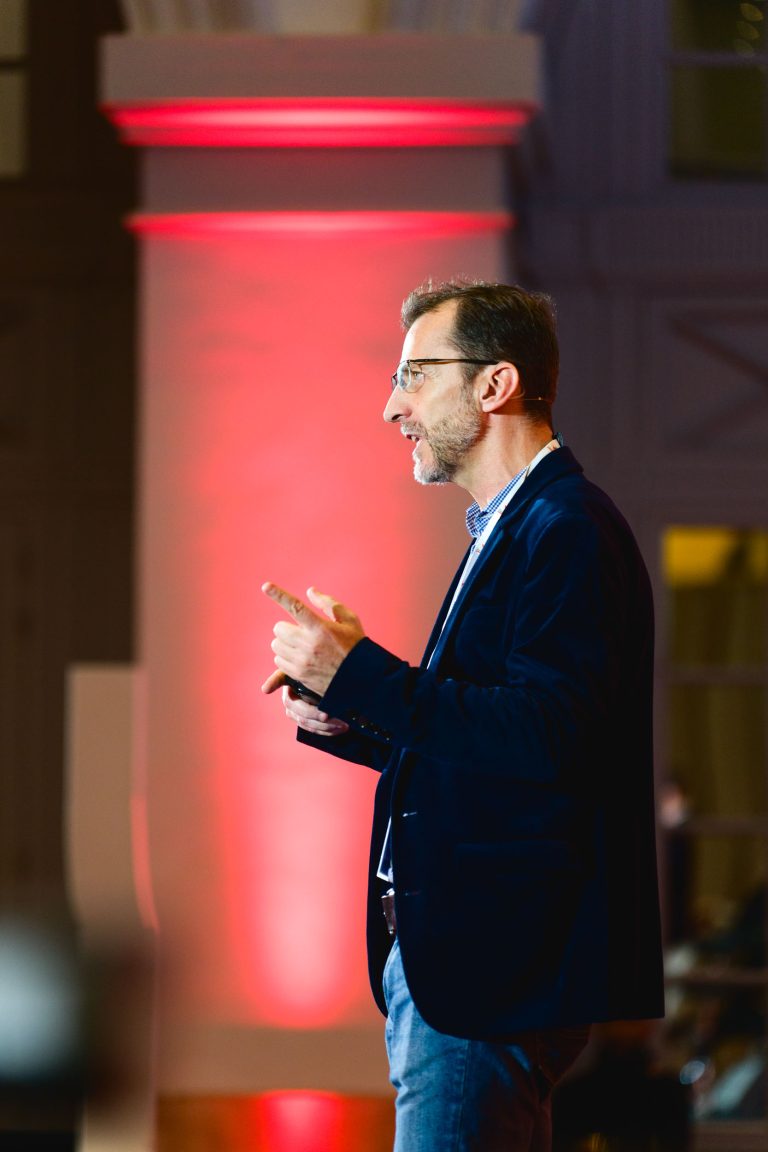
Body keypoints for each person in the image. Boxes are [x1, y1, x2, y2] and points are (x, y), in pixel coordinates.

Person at [261, 280, 664, 1151]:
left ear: (494, 385)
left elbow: (550, 737)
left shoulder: (568, 527)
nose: (391, 405)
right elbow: (495, 746)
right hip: (464, 964)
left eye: (413, 374)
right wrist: (350, 713)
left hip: (489, 965)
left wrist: (363, 675)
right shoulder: (516, 525)